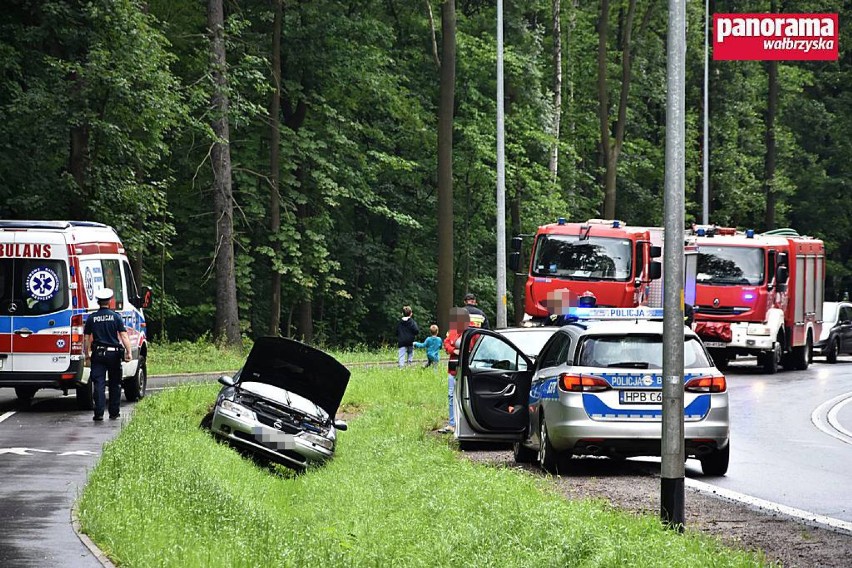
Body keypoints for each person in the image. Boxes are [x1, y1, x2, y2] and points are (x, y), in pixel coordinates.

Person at [84, 288, 132, 421]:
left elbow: (87, 338)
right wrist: (128, 352)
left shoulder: (92, 318)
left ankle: (98, 413)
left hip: (98, 354)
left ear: (98, 302)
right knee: (115, 383)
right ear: (110, 301)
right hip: (114, 355)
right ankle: (114, 412)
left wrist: (87, 354)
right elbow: (123, 335)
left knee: (98, 383)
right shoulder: (115, 317)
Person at [440, 307, 470, 433]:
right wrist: (453, 350)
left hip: (467, 369)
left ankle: (465, 423)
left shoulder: (471, 331)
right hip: (453, 368)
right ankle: (452, 423)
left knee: (466, 395)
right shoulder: (452, 331)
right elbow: (446, 344)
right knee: (451, 394)